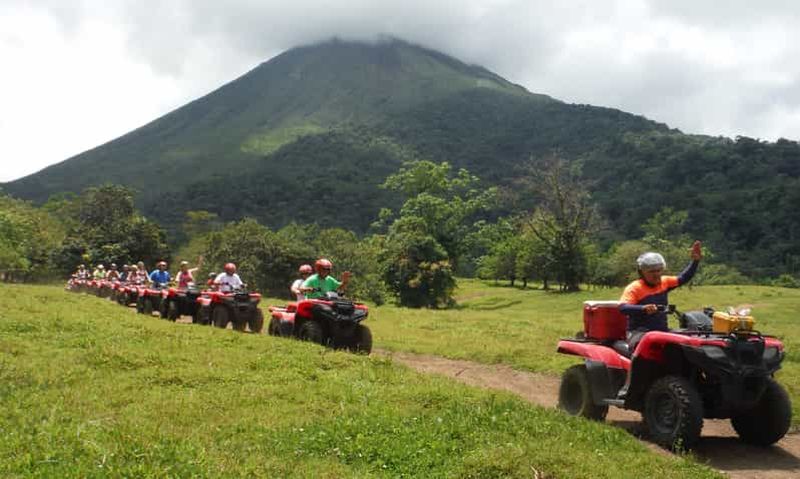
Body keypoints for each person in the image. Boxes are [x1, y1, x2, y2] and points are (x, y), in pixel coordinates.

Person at [619, 240, 703, 351]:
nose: (657, 274)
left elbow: (683, 278)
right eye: (652, 271)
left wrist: (695, 261)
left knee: (691, 340)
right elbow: (623, 308)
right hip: (639, 333)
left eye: (659, 270)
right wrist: (643, 308)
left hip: (662, 331)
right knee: (651, 347)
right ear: (642, 272)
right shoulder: (634, 288)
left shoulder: (664, 282)